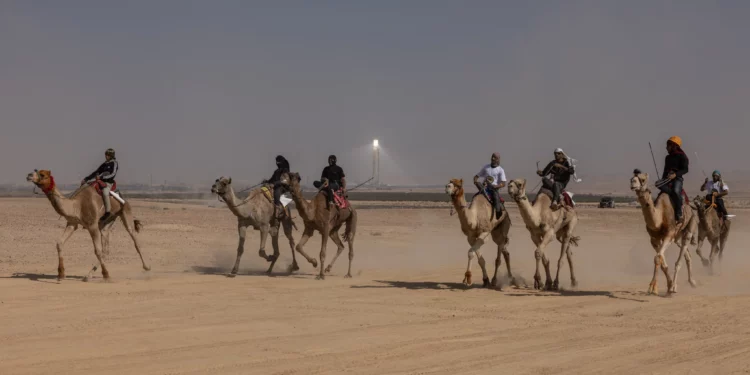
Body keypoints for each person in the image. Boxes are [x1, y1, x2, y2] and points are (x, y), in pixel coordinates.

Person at [81, 148, 118, 222]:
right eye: (106, 155)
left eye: (107, 155)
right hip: (100, 181)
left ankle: (108, 212)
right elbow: (96, 172)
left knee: (105, 192)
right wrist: (86, 179)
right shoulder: (104, 164)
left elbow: (113, 174)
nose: (106, 156)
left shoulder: (114, 163)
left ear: (111, 155)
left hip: (108, 183)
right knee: (87, 187)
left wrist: (101, 177)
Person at [659, 136, 689, 223]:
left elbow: (685, 169)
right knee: (657, 184)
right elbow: (665, 170)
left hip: (677, 179)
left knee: (676, 190)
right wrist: (662, 180)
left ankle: (679, 212)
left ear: (674, 145)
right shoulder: (667, 158)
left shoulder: (682, 156)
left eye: (668, 145)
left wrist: (675, 175)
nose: (666, 147)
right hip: (667, 179)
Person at [473, 152, 506, 219]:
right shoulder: (486, 167)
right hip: (485, 187)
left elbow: (503, 183)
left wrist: (496, 186)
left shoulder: (500, 170)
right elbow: (477, 176)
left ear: (498, 159)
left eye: (495, 157)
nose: (493, 158)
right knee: (475, 197)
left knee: (495, 197)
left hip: (494, 188)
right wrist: (475, 181)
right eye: (492, 157)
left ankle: (498, 212)